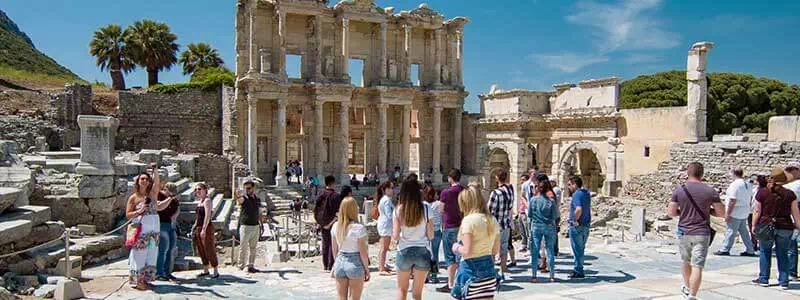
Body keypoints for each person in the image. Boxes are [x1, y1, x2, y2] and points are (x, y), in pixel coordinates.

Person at [666, 162, 724, 300]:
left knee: (686, 261)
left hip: (684, 231)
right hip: (702, 232)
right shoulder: (710, 191)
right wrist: (707, 211)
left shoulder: (679, 190)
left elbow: (671, 212)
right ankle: (692, 295)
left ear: (688, 173)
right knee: (697, 265)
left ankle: (687, 286)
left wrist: (684, 211)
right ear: (702, 174)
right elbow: (721, 213)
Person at [751, 167, 800, 289]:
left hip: (766, 224)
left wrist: (753, 225)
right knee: (783, 253)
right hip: (785, 225)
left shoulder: (762, 192)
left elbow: (757, 210)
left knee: (765, 251)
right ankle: (784, 281)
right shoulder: (790, 194)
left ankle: (764, 279)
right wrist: (798, 225)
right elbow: (795, 212)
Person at [451, 184, 500, 299]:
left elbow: (467, 250)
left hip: (470, 271)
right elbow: (495, 250)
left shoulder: (468, 221)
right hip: (488, 270)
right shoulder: (492, 219)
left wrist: (456, 247)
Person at [393, 176, 433, 300]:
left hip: (404, 251)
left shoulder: (398, 210)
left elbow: (395, 236)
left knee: (402, 290)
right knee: (417, 294)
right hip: (422, 251)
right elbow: (431, 235)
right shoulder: (426, 208)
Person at [126, 166, 162, 290]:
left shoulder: (152, 194)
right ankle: (138, 281)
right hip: (141, 228)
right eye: (142, 179)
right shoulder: (133, 198)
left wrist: (155, 171)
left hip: (154, 227)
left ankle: (146, 279)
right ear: (138, 181)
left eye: (146, 179)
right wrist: (139, 211)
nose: (144, 181)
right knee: (139, 254)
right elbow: (128, 214)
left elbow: (157, 184)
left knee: (151, 254)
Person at [331, 197, 370, 300]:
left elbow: (334, 250)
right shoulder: (359, 228)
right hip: (355, 262)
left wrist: (336, 264)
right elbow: (363, 253)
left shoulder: (335, 226)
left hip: (340, 261)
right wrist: (367, 269)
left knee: (341, 297)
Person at [714, 167, 756, 257]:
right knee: (744, 232)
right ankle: (750, 249)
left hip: (736, 211)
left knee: (731, 231)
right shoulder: (747, 184)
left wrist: (728, 213)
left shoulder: (735, 185)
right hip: (744, 211)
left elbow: (733, 200)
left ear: (733, 173)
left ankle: (725, 249)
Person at [436, 169, 465, 293]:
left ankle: (451, 284)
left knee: (450, 257)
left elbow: (441, 210)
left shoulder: (445, 193)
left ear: (450, 178)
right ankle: (460, 282)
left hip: (449, 226)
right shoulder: (464, 191)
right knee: (460, 255)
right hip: (462, 226)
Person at [528, 174, 558, 283]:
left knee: (535, 250)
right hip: (549, 226)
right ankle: (552, 276)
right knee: (550, 250)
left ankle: (534, 276)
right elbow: (555, 216)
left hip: (536, 226)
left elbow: (530, 214)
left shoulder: (533, 200)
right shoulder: (551, 201)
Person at [488, 170, 514, 281]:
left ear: (497, 178)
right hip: (505, 224)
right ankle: (503, 271)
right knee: (503, 249)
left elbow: (489, 209)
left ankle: (492, 272)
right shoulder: (510, 191)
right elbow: (510, 207)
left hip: (495, 225)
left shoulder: (495, 193)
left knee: (493, 250)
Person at [191, 182, 219, 278]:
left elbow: (207, 216)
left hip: (206, 227)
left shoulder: (207, 201)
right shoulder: (200, 202)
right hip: (198, 227)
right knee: (201, 249)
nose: (197, 191)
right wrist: (194, 227)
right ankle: (206, 269)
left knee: (209, 247)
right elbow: (198, 217)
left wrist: (204, 228)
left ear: (205, 190)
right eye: (196, 189)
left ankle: (215, 270)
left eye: (199, 189)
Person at [314, 176, 341, 271]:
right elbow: (338, 211)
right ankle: (331, 265)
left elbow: (316, 209)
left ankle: (325, 265)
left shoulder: (320, 194)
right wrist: (331, 223)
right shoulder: (336, 196)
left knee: (325, 243)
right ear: (333, 183)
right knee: (333, 243)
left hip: (322, 222)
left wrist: (319, 222)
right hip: (332, 222)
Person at [236, 179, 263, 273]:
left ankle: (251, 265)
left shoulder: (256, 198)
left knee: (253, 247)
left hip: (255, 226)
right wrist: (238, 195)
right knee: (243, 247)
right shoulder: (244, 197)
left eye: (249, 188)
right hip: (245, 226)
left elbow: (259, 211)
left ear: (253, 188)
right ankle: (241, 266)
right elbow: (240, 201)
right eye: (246, 188)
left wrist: (261, 222)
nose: (247, 190)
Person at [567, 176, 591, 279]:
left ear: (574, 184)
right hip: (586, 224)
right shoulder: (586, 193)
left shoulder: (576, 194)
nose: (568, 187)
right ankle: (579, 268)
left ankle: (578, 270)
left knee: (577, 249)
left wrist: (574, 220)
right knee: (581, 249)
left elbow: (578, 209)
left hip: (578, 226)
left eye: (569, 184)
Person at [155, 182, 180, 281]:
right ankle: (159, 272)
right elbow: (160, 207)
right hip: (161, 224)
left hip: (170, 225)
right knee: (162, 250)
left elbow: (177, 208)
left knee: (171, 249)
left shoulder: (174, 199)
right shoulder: (160, 196)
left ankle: (167, 272)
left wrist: (175, 215)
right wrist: (169, 199)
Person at [782, 162, 800, 280]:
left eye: (791, 170)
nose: (788, 173)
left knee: (791, 246)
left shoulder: (794, 185)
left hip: (794, 219)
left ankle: (791, 271)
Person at [376, 181, 396, 275]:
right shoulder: (387, 200)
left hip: (383, 224)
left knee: (383, 247)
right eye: (391, 188)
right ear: (386, 189)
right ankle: (381, 268)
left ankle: (382, 264)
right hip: (386, 225)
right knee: (384, 247)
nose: (393, 190)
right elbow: (389, 215)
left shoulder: (384, 199)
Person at [424, 185, 443, 283]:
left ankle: (425, 275)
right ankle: (434, 275)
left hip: (426, 231)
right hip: (436, 230)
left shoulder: (424, 204)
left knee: (426, 254)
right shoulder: (438, 204)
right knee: (435, 254)